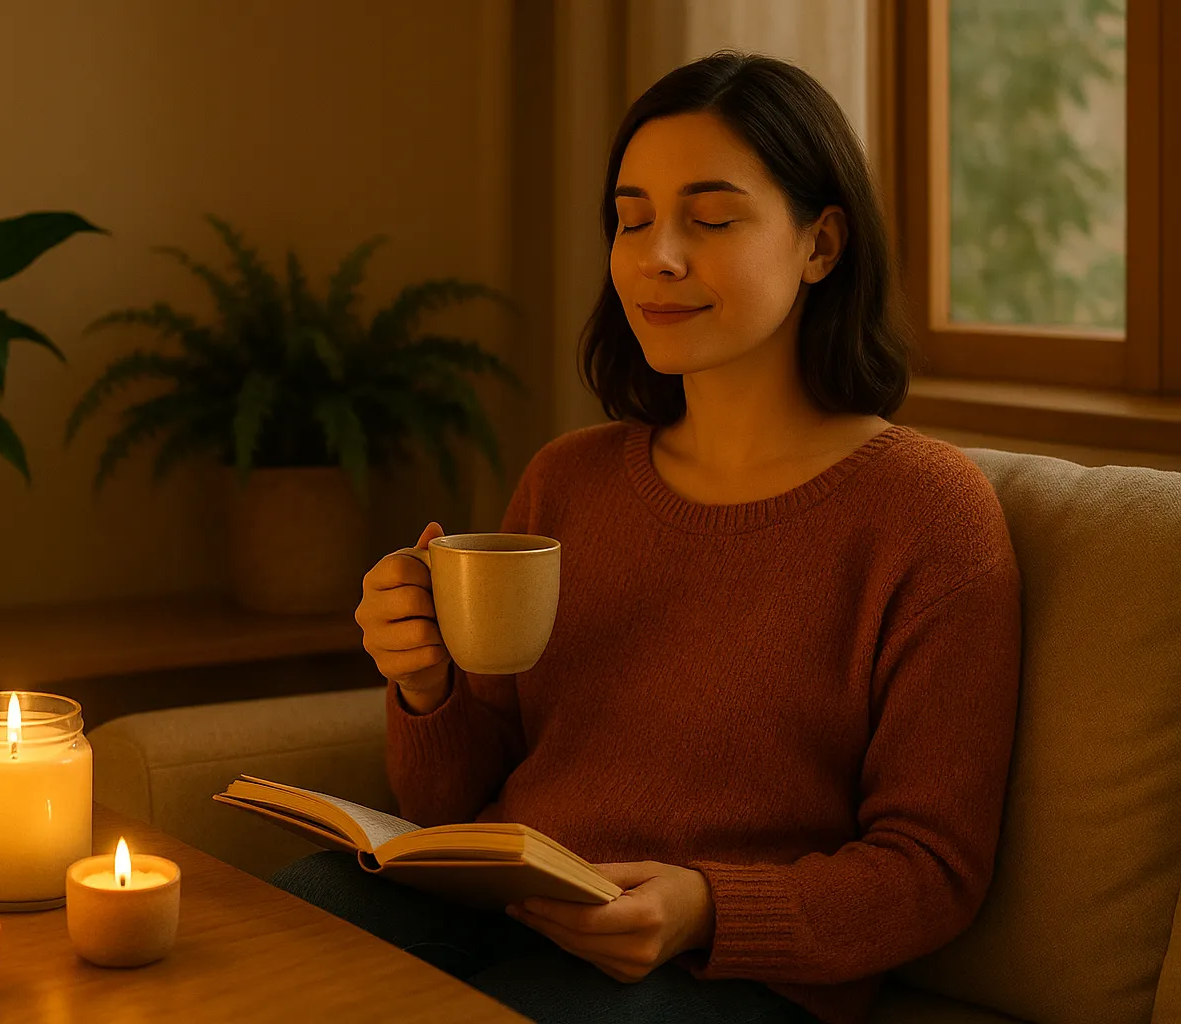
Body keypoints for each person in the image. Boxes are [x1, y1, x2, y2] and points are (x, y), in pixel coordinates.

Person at [272, 50, 1021, 1024]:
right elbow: (447, 803)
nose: (657, 255)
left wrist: (708, 907)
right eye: (631, 219)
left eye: (710, 220)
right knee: (255, 933)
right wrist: (425, 683)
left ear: (821, 244)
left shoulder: (927, 514)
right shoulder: (568, 479)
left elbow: (932, 869)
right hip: (503, 907)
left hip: (720, 973)